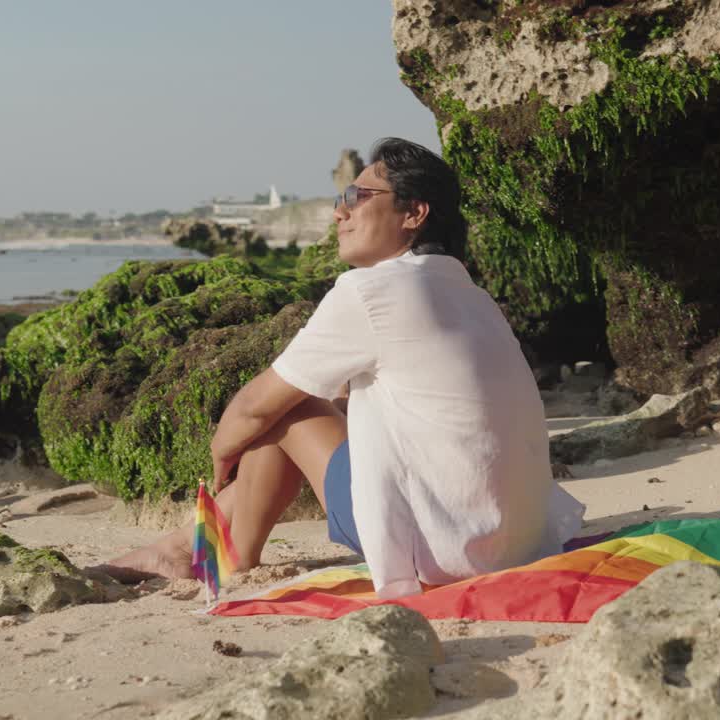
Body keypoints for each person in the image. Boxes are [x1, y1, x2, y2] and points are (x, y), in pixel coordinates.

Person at [101, 138, 584, 598]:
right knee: (322, 403)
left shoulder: (369, 291)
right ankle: (187, 545)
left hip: (443, 548)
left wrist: (221, 457)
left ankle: (211, 553)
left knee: (286, 411)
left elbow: (253, 407)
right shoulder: (469, 294)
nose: (340, 211)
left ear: (414, 213)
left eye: (358, 196)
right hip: (516, 539)